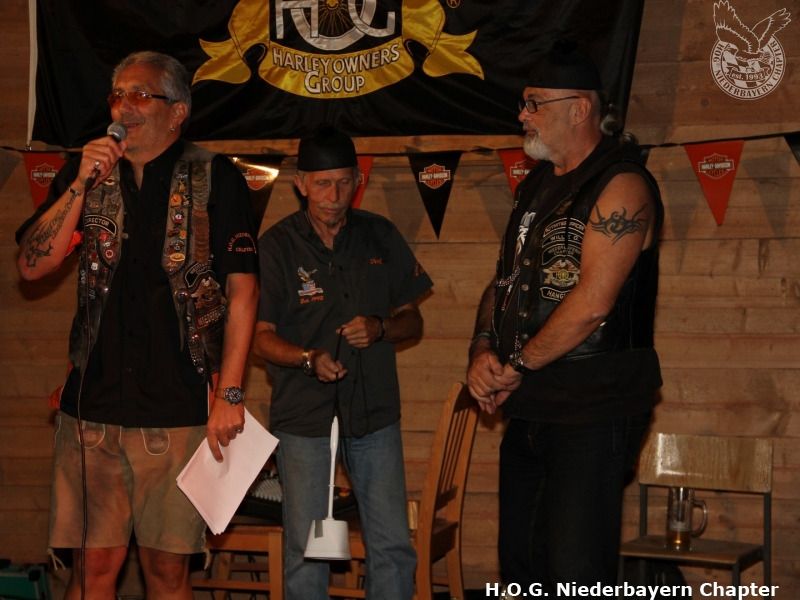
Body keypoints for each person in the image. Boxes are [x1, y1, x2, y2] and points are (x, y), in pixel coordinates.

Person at [16, 51, 259, 599]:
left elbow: (244, 290)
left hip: (178, 410)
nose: (123, 106)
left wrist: (231, 392)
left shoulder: (215, 175)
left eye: (139, 94)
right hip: (92, 408)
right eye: (117, 95)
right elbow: (31, 266)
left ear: (178, 112)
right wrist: (79, 183)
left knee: (167, 572)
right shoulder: (86, 173)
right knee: (92, 568)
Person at [466, 40, 663, 595]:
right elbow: (503, 281)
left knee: (575, 574)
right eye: (523, 102)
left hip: (593, 406)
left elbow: (593, 304)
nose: (522, 115)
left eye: (534, 103)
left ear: (579, 108)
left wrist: (516, 366)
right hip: (531, 403)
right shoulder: (536, 184)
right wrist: (483, 349)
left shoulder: (622, 185)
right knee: (520, 567)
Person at [253, 125, 432, 600]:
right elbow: (259, 339)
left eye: (343, 183)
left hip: (374, 414)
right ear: (301, 184)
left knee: (392, 545)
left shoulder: (380, 235)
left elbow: (413, 321)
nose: (333, 196)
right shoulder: (275, 247)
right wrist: (307, 358)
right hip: (304, 417)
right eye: (322, 184)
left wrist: (380, 327)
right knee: (307, 552)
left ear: (358, 180)